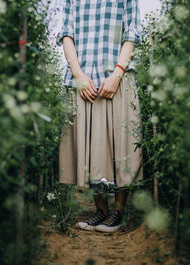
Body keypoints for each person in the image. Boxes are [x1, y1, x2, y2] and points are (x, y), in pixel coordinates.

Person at [56, 0, 143, 233]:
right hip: (85, 80)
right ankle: (101, 211)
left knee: (121, 144)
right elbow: (67, 35)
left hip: (115, 78)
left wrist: (117, 74)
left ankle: (119, 212)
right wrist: (78, 75)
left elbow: (131, 34)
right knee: (91, 145)